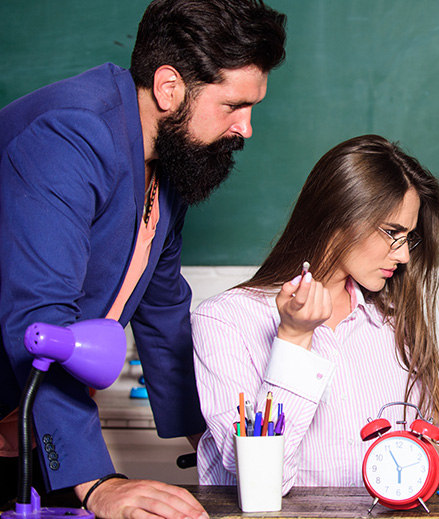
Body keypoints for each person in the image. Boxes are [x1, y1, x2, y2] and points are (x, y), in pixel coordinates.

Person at [0, 0, 286, 517]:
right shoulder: (69, 135)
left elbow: (163, 310)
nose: (246, 128)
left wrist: (211, 440)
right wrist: (98, 483)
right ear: (169, 87)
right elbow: (40, 317)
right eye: (233, 105)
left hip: (29, 417)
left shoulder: (167, 158)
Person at [191, 134, 439, 492]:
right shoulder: (225, 321)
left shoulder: (394, 322)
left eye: (408, 237)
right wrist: (295, 339)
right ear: (342, 213)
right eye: (393, 233)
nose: (404, 255)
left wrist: (433, 463)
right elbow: (260, 482)